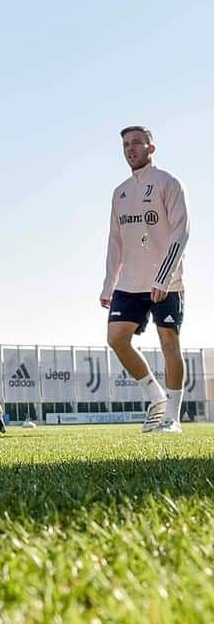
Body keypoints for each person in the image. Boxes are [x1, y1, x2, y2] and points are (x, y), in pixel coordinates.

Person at [100, 126, 190, 434]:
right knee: (116, 339)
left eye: (137, 142)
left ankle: (172, 417)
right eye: (125, 144)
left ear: (151, 148)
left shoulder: (169, 183)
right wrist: (108, 284)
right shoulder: (120, 192)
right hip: (129, 283)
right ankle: (155, 395)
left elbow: (181, 232)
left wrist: (164, 276)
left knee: (169, 342)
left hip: (166, 282)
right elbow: (115, 241)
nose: (130, 148)